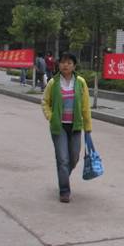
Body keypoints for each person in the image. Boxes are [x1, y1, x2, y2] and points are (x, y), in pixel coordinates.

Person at [41, 52, 92, 203]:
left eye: (69, 63)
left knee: (74, 158)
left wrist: (88, 126)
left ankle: (63, 176)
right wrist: (51, 117)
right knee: (63, 159)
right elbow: (44, 102)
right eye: (63, 62)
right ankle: (64, 191)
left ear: (74, 66)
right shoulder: (53, 82)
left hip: (75, 126)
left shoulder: (80, 82)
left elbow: (85, 106)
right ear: (58, 65)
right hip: (59, 127)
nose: (66, 65)